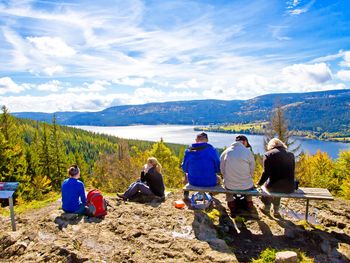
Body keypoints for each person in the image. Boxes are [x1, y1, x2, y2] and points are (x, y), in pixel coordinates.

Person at [258, 138, 295, 216]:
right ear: (282, 145)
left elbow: (266, 173)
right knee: (280, 183)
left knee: (265, 186)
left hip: (274, 187)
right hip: (289, 188)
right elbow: (292, 171)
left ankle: (267, 207)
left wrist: (259, 184)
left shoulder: (268, 154)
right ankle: (276, 210)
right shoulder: (291, 155)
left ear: (270, 146)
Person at [220, 135, 255, 216]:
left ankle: (232, 206)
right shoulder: (248, 152)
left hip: (230, 185)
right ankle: (249, 204)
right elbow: (252, 169)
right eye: (246, 144)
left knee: (227, 186)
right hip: (246, 185)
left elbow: (222, 169)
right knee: (249, 185)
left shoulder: (226, 152)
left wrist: (227, 177)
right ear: (244, 142)